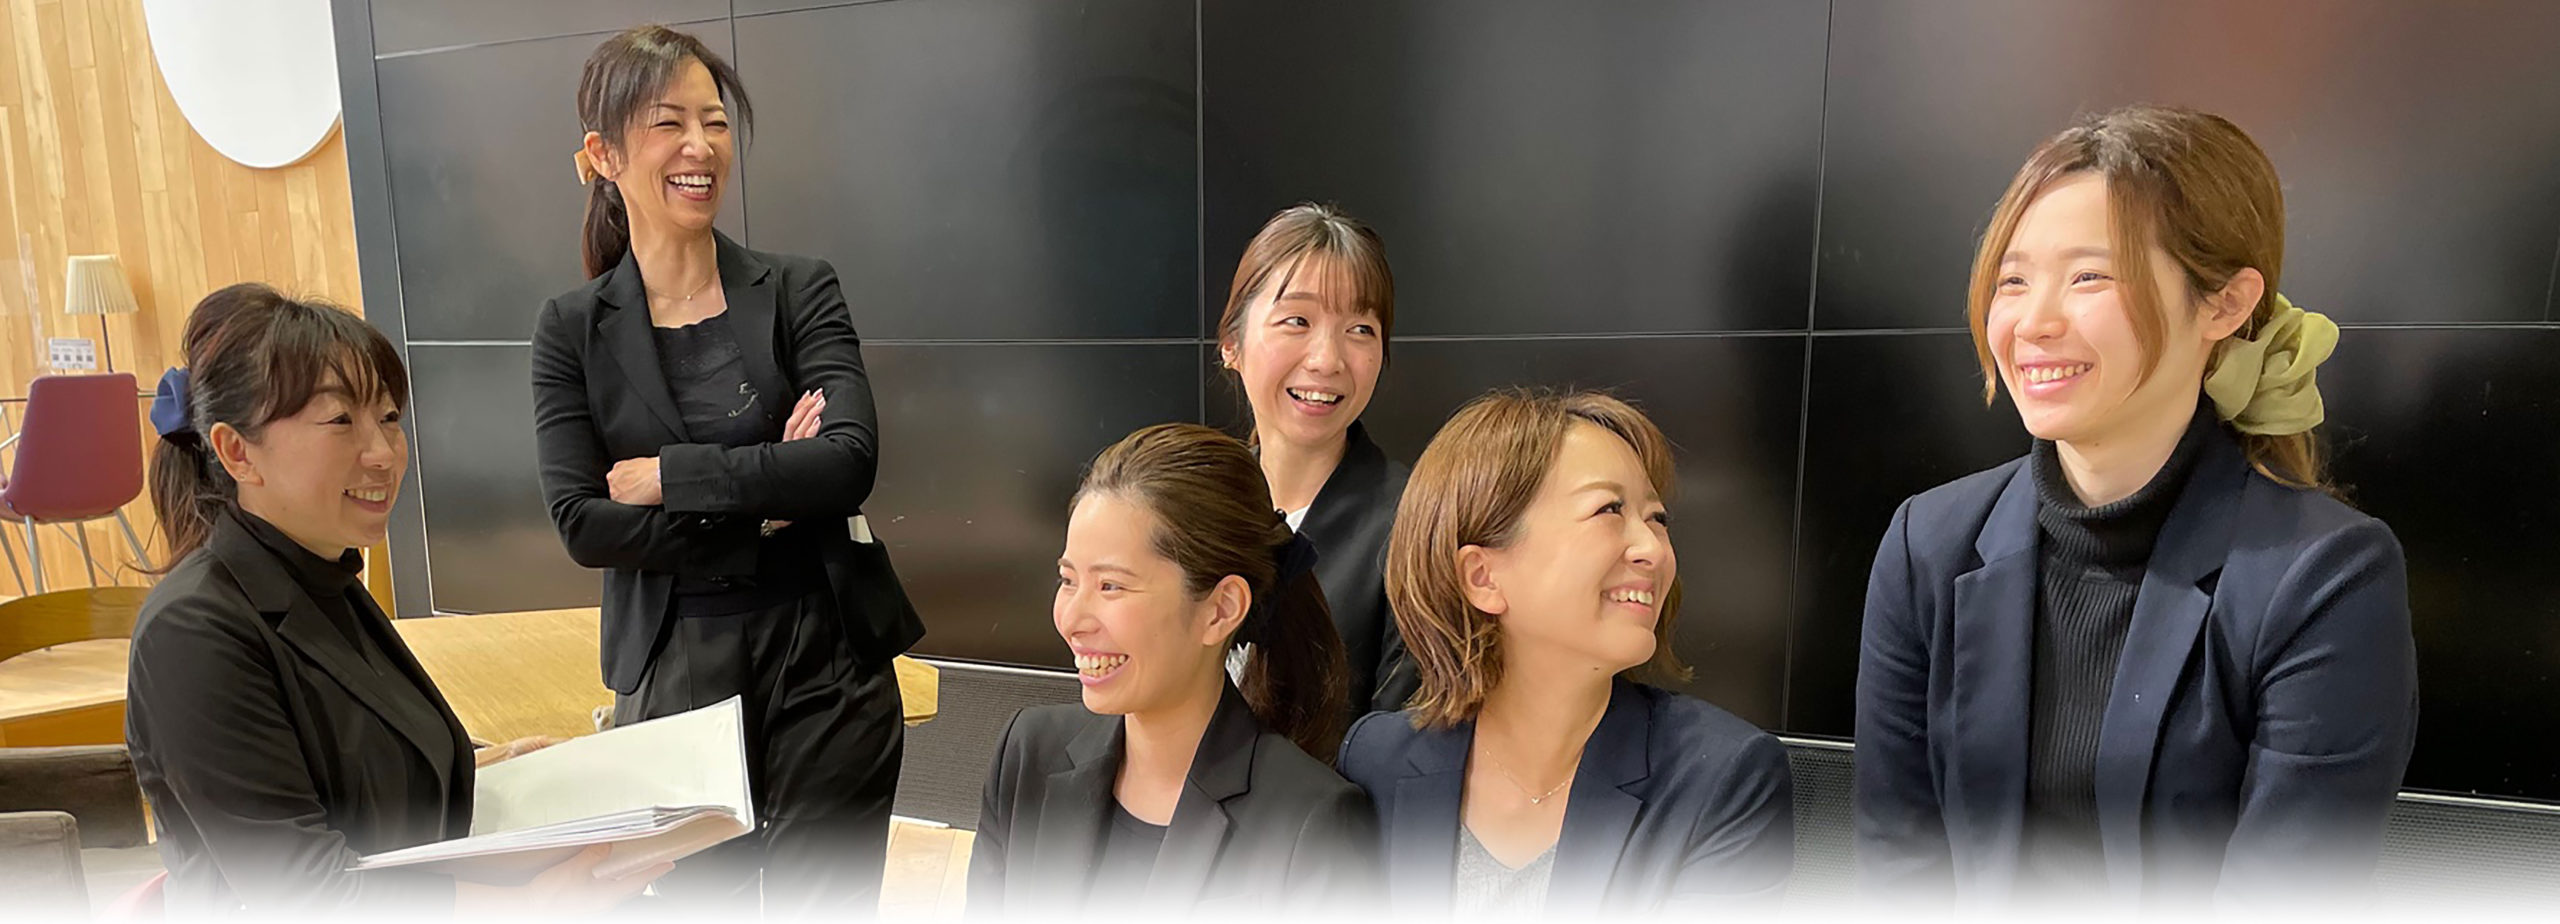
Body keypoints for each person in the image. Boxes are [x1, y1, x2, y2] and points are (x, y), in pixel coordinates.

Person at [1853, 105, 2418, 908]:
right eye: (2013, 280)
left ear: (2225, 304)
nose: (2033, 322)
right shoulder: (1929, 544)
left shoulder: (2325, 576)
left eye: (2089, 277)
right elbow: (1898, 869)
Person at [530, 23, 920, 915]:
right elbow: (584, 524)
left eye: (714, 122)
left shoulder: (797, 288)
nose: (701, 147)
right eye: (669, 123)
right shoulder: (571, 329)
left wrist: (669, 476)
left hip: (828, 659)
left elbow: (845, 463)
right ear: (604, 154)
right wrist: (770, 494)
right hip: (675, 674)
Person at [126, 284, 664, 916]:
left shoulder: (323, 576)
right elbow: (301, 894)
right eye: (340, 421)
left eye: (386, 418)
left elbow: (351, 769)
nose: (383, 453)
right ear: (237, 452)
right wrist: (530, 904)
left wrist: (496, 765)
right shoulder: (194, 630)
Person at [1338, 389, 1795, 915]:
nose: (1653, 548)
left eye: (1657, 518)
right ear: (1482, 577)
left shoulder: (1722, 778)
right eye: (1609, 510)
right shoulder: (1375, 759)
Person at [968, 424, 1380, 914]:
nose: (1072, 619)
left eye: (1111, 586)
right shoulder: (1028, 755)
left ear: (1221, 609)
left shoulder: (1311, 821)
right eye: (1068, 580)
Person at [1215, 204, 1415, 720]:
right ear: (1232, 344)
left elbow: (1402, 746)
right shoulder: (1195, 507)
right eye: (1297, 321)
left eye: (1361, 329)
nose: (1327, 360)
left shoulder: (1416, 527)